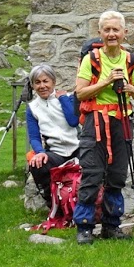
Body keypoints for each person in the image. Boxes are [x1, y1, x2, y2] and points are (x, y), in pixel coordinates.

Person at [73, 10, 134, 244]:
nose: (111, 34)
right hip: (96, 122)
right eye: (107, 30)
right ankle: (84, 226)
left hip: (122, 120)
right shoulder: (91, 59)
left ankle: (111, 226)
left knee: (117, 175)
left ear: (124, 33)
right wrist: (106, 82)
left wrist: (129, 89)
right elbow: (80, 92)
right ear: (100, 33)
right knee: (92, 173)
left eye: (116, 29)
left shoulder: (130, 60)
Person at [24, 64, 80, 211]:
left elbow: (73, 121)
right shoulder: (32, 108)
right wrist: (39, 152)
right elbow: (34, 136)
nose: (42, 86)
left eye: (45, 81)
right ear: (33, 85)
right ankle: (55, 206)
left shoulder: (67, 98)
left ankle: (86, 205)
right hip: (56, 152)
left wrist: (62, 98)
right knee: (37, 164)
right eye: (37, 82)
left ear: (53, 82)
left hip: (77, 148)